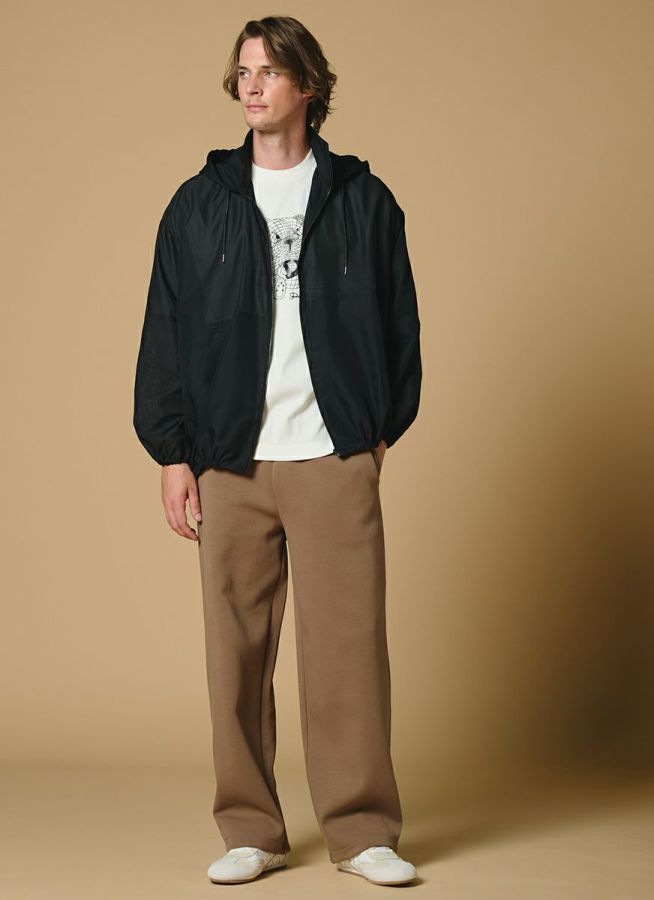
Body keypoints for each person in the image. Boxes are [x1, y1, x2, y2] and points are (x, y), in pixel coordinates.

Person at [133, 15, 422, 887]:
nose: (252, 85)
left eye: (269, 71)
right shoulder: (198, 205)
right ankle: (251, 831)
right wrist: (173, 454)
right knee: (235, 655)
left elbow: (400, 326)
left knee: (348, 656)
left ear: (309, 86)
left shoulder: (364, 201)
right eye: (244, 71)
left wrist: (374, 431)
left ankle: (361, 832)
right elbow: (166, 333)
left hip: (332, 454)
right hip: (229, 458)